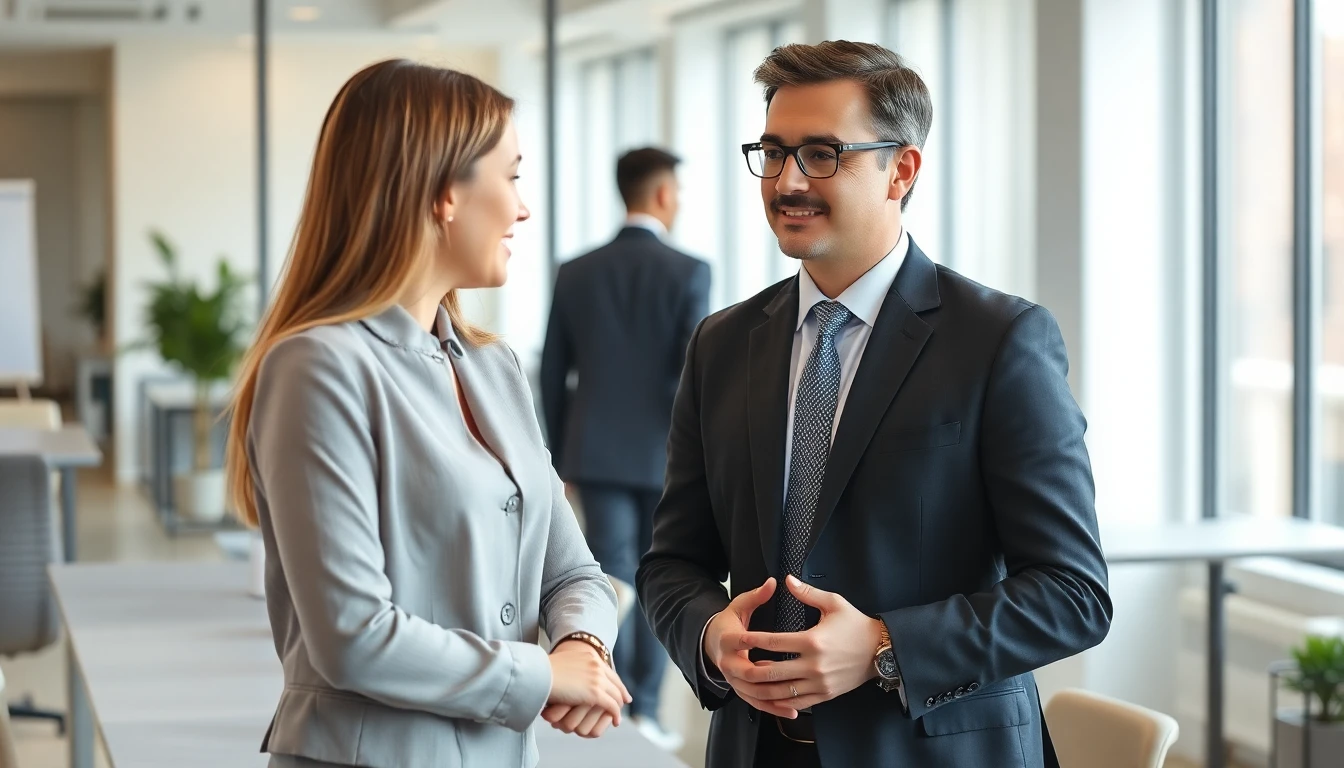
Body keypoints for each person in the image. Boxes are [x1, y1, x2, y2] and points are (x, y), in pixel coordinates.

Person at [636, 40, 1112, 768]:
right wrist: (708, 636)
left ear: (902, 169)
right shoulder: (722, 343)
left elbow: (1073, 594)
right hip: (755, 749)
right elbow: (672, 563)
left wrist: (886, 647)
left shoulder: (1000, 341)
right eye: (773, 152)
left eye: (823, 153)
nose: (788, 179)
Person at [223, 59, 630, 768]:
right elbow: (352, 635)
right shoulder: (319, 367)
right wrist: (542, 676)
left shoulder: (494, 368)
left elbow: (574, 574)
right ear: (445, 193)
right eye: (512, 176)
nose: (523, 208)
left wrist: (582, 645)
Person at [540, 147, 710, 750]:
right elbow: (696, 374)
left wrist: (554, 458)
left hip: (594, 451)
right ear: (663, 195)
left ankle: (615, 694)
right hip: (666, 453)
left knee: (611, 572)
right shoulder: (690, 270)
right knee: (663, 573)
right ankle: (649, 706)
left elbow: (553, 372)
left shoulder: (576, 270)